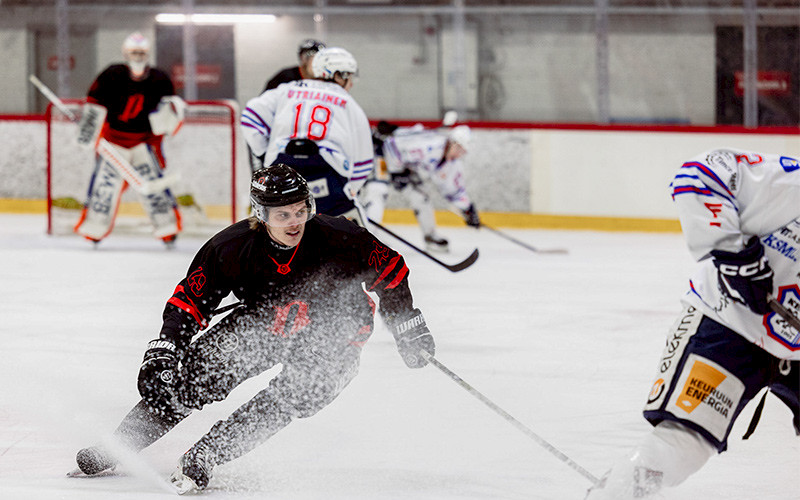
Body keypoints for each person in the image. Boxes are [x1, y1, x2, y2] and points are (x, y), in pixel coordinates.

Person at [71, 164, 435, 494]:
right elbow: (191, 300)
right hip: (265, 322)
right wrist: (166, 347)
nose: (295, 222)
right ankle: (119, 445)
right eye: (282, 214)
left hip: (335, 331)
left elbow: (391, 271)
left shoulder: (339, 236)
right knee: (195, 377)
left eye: (300, 211)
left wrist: (408, 325)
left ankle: (209, 454)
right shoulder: (231, 247)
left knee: (295, 394)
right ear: (261, 215)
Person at [586, 148, 800, 499]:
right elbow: (698, 174)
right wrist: (735, 257)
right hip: (728, 321)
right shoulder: (789, 185)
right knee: (684, 444)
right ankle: (616, 494)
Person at [73, 31, 188, 247]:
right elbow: (94, 104)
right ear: (126, 53)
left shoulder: (159, 79)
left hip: (142, 144)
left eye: (141, 52)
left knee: (154, 189)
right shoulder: (111, 75)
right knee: (104, 189)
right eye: (134, 52)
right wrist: (90, 134)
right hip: (113, 144)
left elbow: (165, 115)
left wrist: (164, 133)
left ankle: (168, 229)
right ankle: (94, 230)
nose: (138, 56)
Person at [241, 47, 374, 225]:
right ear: (338, 75)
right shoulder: (348, 103)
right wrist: (351, 190)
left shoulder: (287, 90)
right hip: (328, 179)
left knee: (267, 228)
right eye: (349, 76)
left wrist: (266, 154)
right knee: (355, 238)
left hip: (282, 171)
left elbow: (250, 117)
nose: (351, 83)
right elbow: (364, 162)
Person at [360, 121, 481, 252]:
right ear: (451, 142)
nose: (459, 153)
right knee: (378, 190)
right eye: (458, 148)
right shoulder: (430, 145)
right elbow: (391, 144)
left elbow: (453, 190)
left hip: (404, 167)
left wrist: (467, 209)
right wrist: (396, 171)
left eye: (462, 151)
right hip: (383, 153)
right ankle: (366, 238)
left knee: (421, 196)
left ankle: (430, 237)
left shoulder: (451, 164)